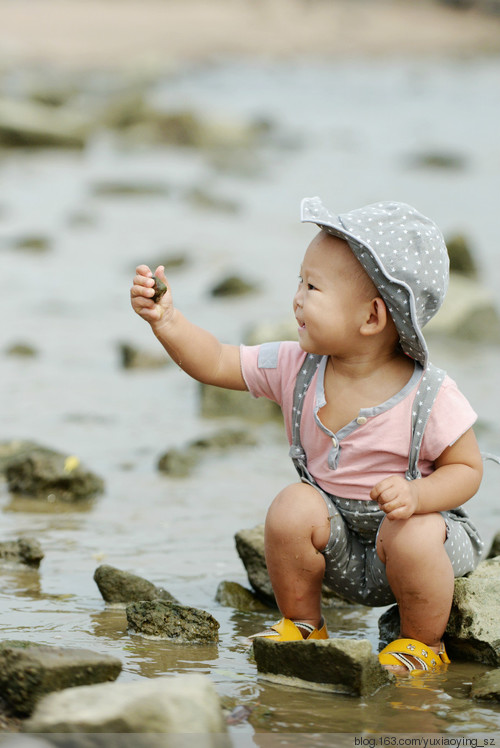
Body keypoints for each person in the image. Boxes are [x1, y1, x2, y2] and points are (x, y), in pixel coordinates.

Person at [130, 196, 484, 673]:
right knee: (293, 505)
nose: (296, 296)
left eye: (312, 286)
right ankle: (303, 623)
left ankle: (422, 644)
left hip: (414, 544)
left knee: (416, 535)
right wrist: (167, 320)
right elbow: (216, 361)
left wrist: (419, 495)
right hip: (339, 541)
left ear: (372, 317)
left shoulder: (430, 394)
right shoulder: (296, 367)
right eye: (299, 280)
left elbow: (467, 470)